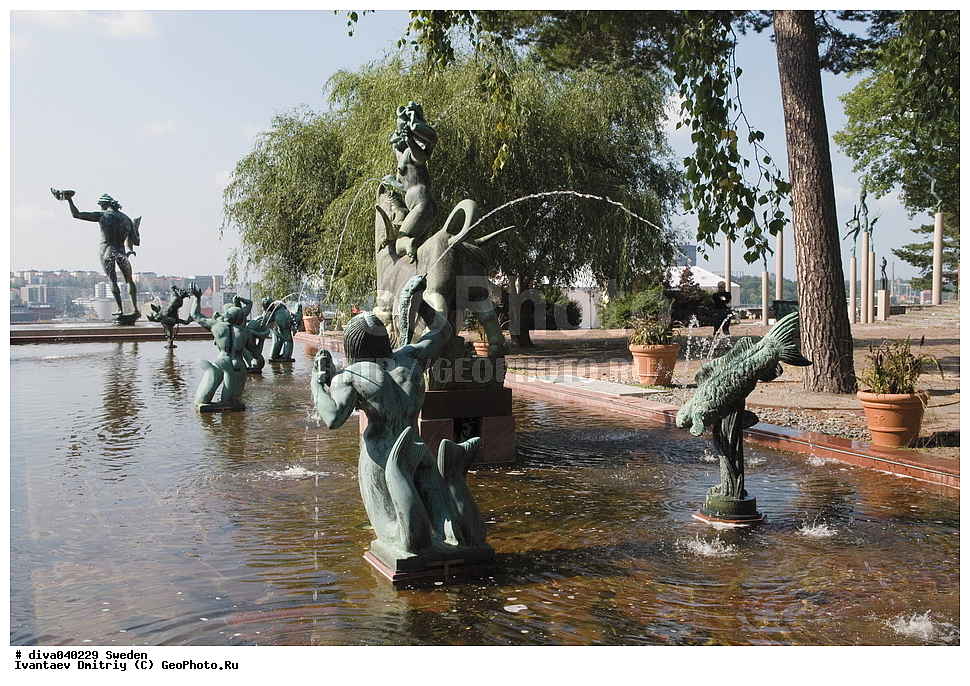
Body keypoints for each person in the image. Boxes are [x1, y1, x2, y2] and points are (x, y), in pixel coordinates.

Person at [310, 275, 487, 561]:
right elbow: (442, 330)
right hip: (418, 450)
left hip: (382, 460)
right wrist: (420, 307)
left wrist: (317, 383)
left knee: (402, 538)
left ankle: (413, 543)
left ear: (352, 347)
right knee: (452, 530)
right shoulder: (410, 358)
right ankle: (456, 485)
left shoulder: (351, 376)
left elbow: (332, 417)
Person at [54, 190, 140, 318]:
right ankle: (135, 309)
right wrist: (135, 227)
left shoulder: (103, 215)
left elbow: (76, 214)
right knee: (129, 280)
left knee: (112, 279)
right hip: (122, 252)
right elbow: (136, 241)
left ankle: (120, 311)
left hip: (107, 250)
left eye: (101, 206)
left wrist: (69, 200)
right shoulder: (126, 219)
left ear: (104, 205)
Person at [189, 285, 258, 411]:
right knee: (233, 400)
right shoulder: (244, 332)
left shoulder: (217, 326)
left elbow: (195, 315)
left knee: (212, 380)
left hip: (223, 359)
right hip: (238, 362)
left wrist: (197, 298)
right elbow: (255, 353)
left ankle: (205, 401)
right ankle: (227, 405)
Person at [389, 102, 439, 262]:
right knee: (421, 249)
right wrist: (393, 182)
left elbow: (421, 157)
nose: (395, 139)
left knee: (400, 244)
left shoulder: (410, 152)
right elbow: (406, 186)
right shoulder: (403, 157)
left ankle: (408, 243)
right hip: (424, 205)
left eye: (399, 134)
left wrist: (410, 140)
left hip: (421, 204)